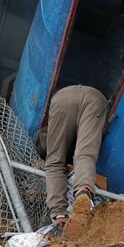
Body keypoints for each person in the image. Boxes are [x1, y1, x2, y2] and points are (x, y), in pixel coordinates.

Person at [45, 85, 108, 228]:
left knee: (55, 161)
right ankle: (83, 191)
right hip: (95, 97)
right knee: (85, 154)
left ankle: (59, 214)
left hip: (62, 97)